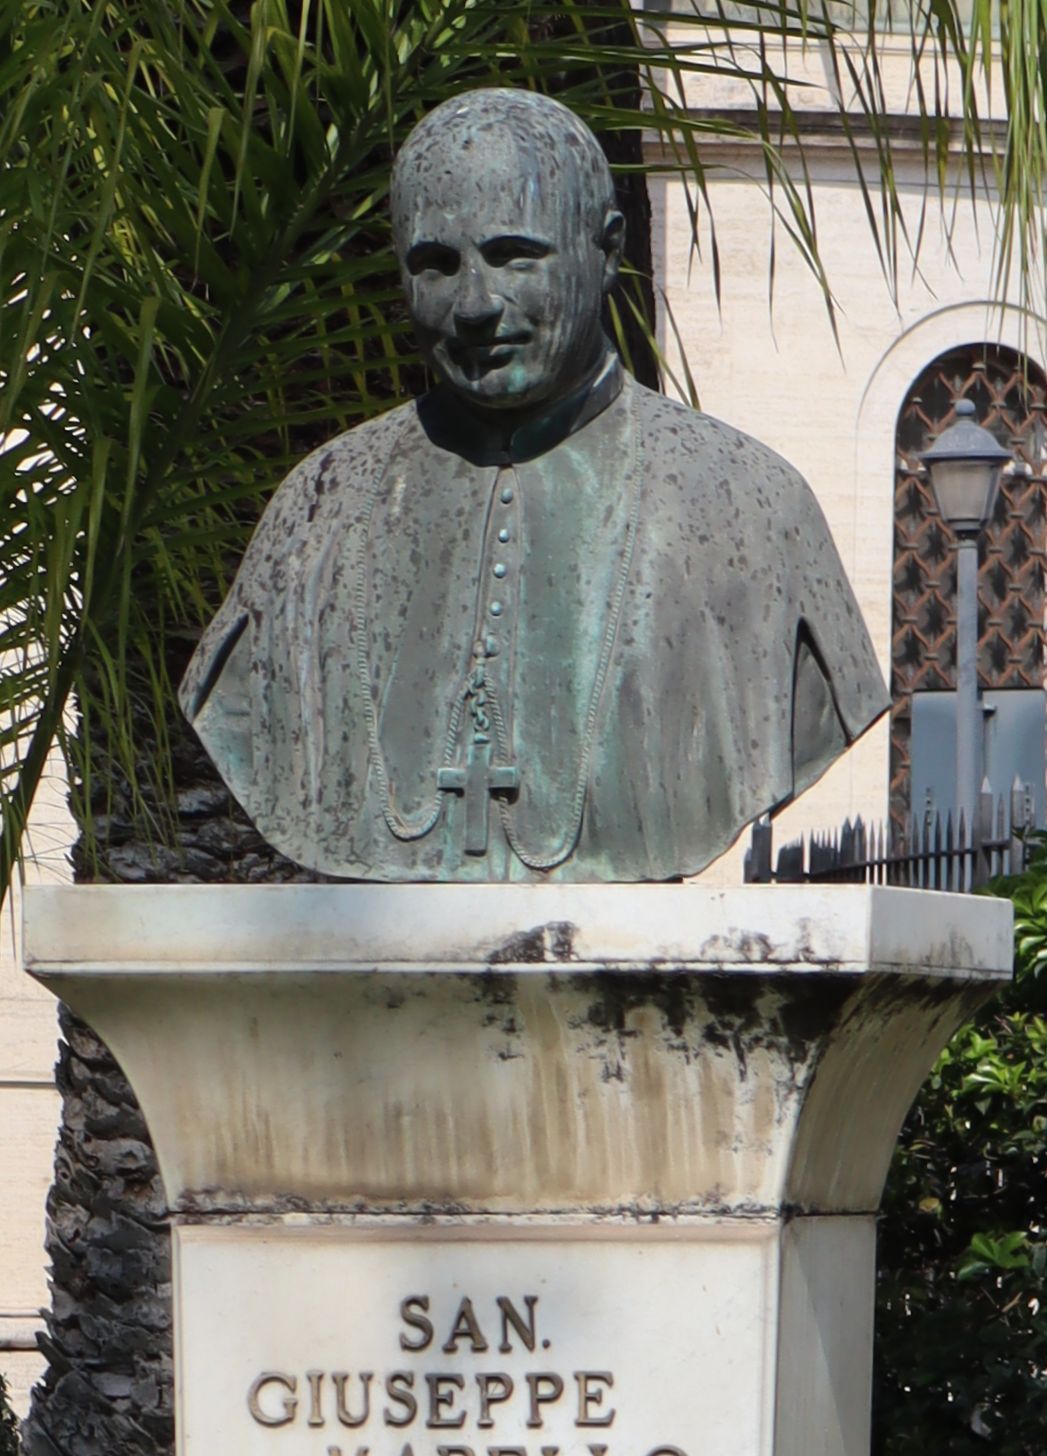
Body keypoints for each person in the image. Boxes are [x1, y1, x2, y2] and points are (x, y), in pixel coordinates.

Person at [180, 88, 887, 882]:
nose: (477, 304)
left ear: (606, 247)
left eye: (515, 255)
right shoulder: (319, 510)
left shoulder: (750, 508)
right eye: (437, 265)